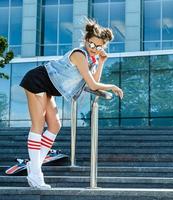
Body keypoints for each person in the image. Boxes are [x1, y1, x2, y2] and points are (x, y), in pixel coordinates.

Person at [19, 18, 123, 189]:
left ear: (103, 47)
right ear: (86, 40)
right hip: (37, 80)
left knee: (55, 125)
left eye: (99, 46)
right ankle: (36, 173)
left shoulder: (93, 60)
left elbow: (94, 80)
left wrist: (102, 62)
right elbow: (93, 85)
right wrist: (112, 86)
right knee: (38, 124)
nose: (94, 48)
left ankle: (33, 165)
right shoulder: (79, 55)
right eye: (91, 44)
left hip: (48, 87)